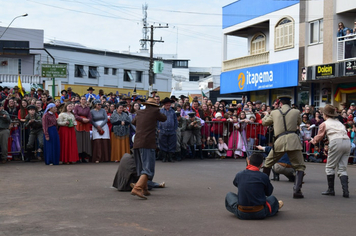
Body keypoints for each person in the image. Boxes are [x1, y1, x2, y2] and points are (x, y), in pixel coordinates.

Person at [262, 95, 306, 199]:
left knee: (268, 163)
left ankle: (263, 188)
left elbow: (264, 122)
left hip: (279, 141)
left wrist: (267, 114)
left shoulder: (274, 112)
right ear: (289, 103)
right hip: (293, 140)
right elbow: (299, 122)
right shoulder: (296, 112)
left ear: (280, 103)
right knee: (300, 166)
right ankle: (297, 190)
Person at [225, 153, 283, 220]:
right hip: (259, 212)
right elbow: (269, 193)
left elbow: (236, 183)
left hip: (242, 212)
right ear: (261, 165)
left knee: (229, 195)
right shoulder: (264, 176)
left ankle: (239, 209)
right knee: (272, 199)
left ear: (249, 162)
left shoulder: (239, 174)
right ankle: (274, 207)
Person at [310, 104, 351, 198]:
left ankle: (331, 190)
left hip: (336, 142)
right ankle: (346, 191)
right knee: (342, 168)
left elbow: (319, 136)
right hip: (347, 141)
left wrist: (314, 141)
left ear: (325, 114)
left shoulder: (324, 123)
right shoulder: (339, 122)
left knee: (330, 167)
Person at [130, 97, 167, 199]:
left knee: (141, 167)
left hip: (137, 143)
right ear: (155, 106)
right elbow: (164, 118)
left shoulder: (140, 112)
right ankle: (137, 188)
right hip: (148, 143)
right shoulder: (155, 111)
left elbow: (133, 122)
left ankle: (144, 189)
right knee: (148, 168)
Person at [158, 97, 178, 163]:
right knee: (163, 144)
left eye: (169, 104)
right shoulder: (160, 111)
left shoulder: (173, 111)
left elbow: (175, 120)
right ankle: (164, 157)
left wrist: (175, 129)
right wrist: (158, 129)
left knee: (172, 144)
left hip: (172, 130)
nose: (168, 106)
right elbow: (157, 120)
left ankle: (170, 157)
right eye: (167, 104)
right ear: (164, 104)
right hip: (162, 130)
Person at [74, 96, 92, 162]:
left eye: (84, 99)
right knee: (79, 140)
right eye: (82, 99)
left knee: (85, 140)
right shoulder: (77, 107)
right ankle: (78, 157)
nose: (83, 100)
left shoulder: (87, 108)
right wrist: (82, 119)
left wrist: (88, 120)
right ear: (80, 100)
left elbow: (90, 116)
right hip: (79, 124)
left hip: (86, 124)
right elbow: (75, 115)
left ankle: (84, 157)